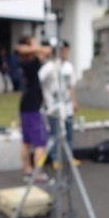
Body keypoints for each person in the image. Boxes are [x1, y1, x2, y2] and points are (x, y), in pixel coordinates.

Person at [16, 36, 52, 184]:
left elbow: (22, 49)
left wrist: (30, 48)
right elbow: (47, 51)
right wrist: (35, 48)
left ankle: (28, 171)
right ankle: (38, 175)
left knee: (26, 142)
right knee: (40, 144)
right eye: (33, 43)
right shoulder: (31, 62)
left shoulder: (22, 62)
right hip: (33, 108)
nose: (36, 45)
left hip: (25, 106)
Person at [38, 40, 80, 168]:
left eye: (67, 51)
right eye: (63, 51)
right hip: (53, 106)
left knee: (69, 132)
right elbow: (39, 82)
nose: (65, 54)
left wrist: (74, 101)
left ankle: (69, 157)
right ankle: (55, 159)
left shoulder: (69, 67)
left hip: (67, 106)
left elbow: (71, 85)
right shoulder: (48, 68)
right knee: (55, 133)